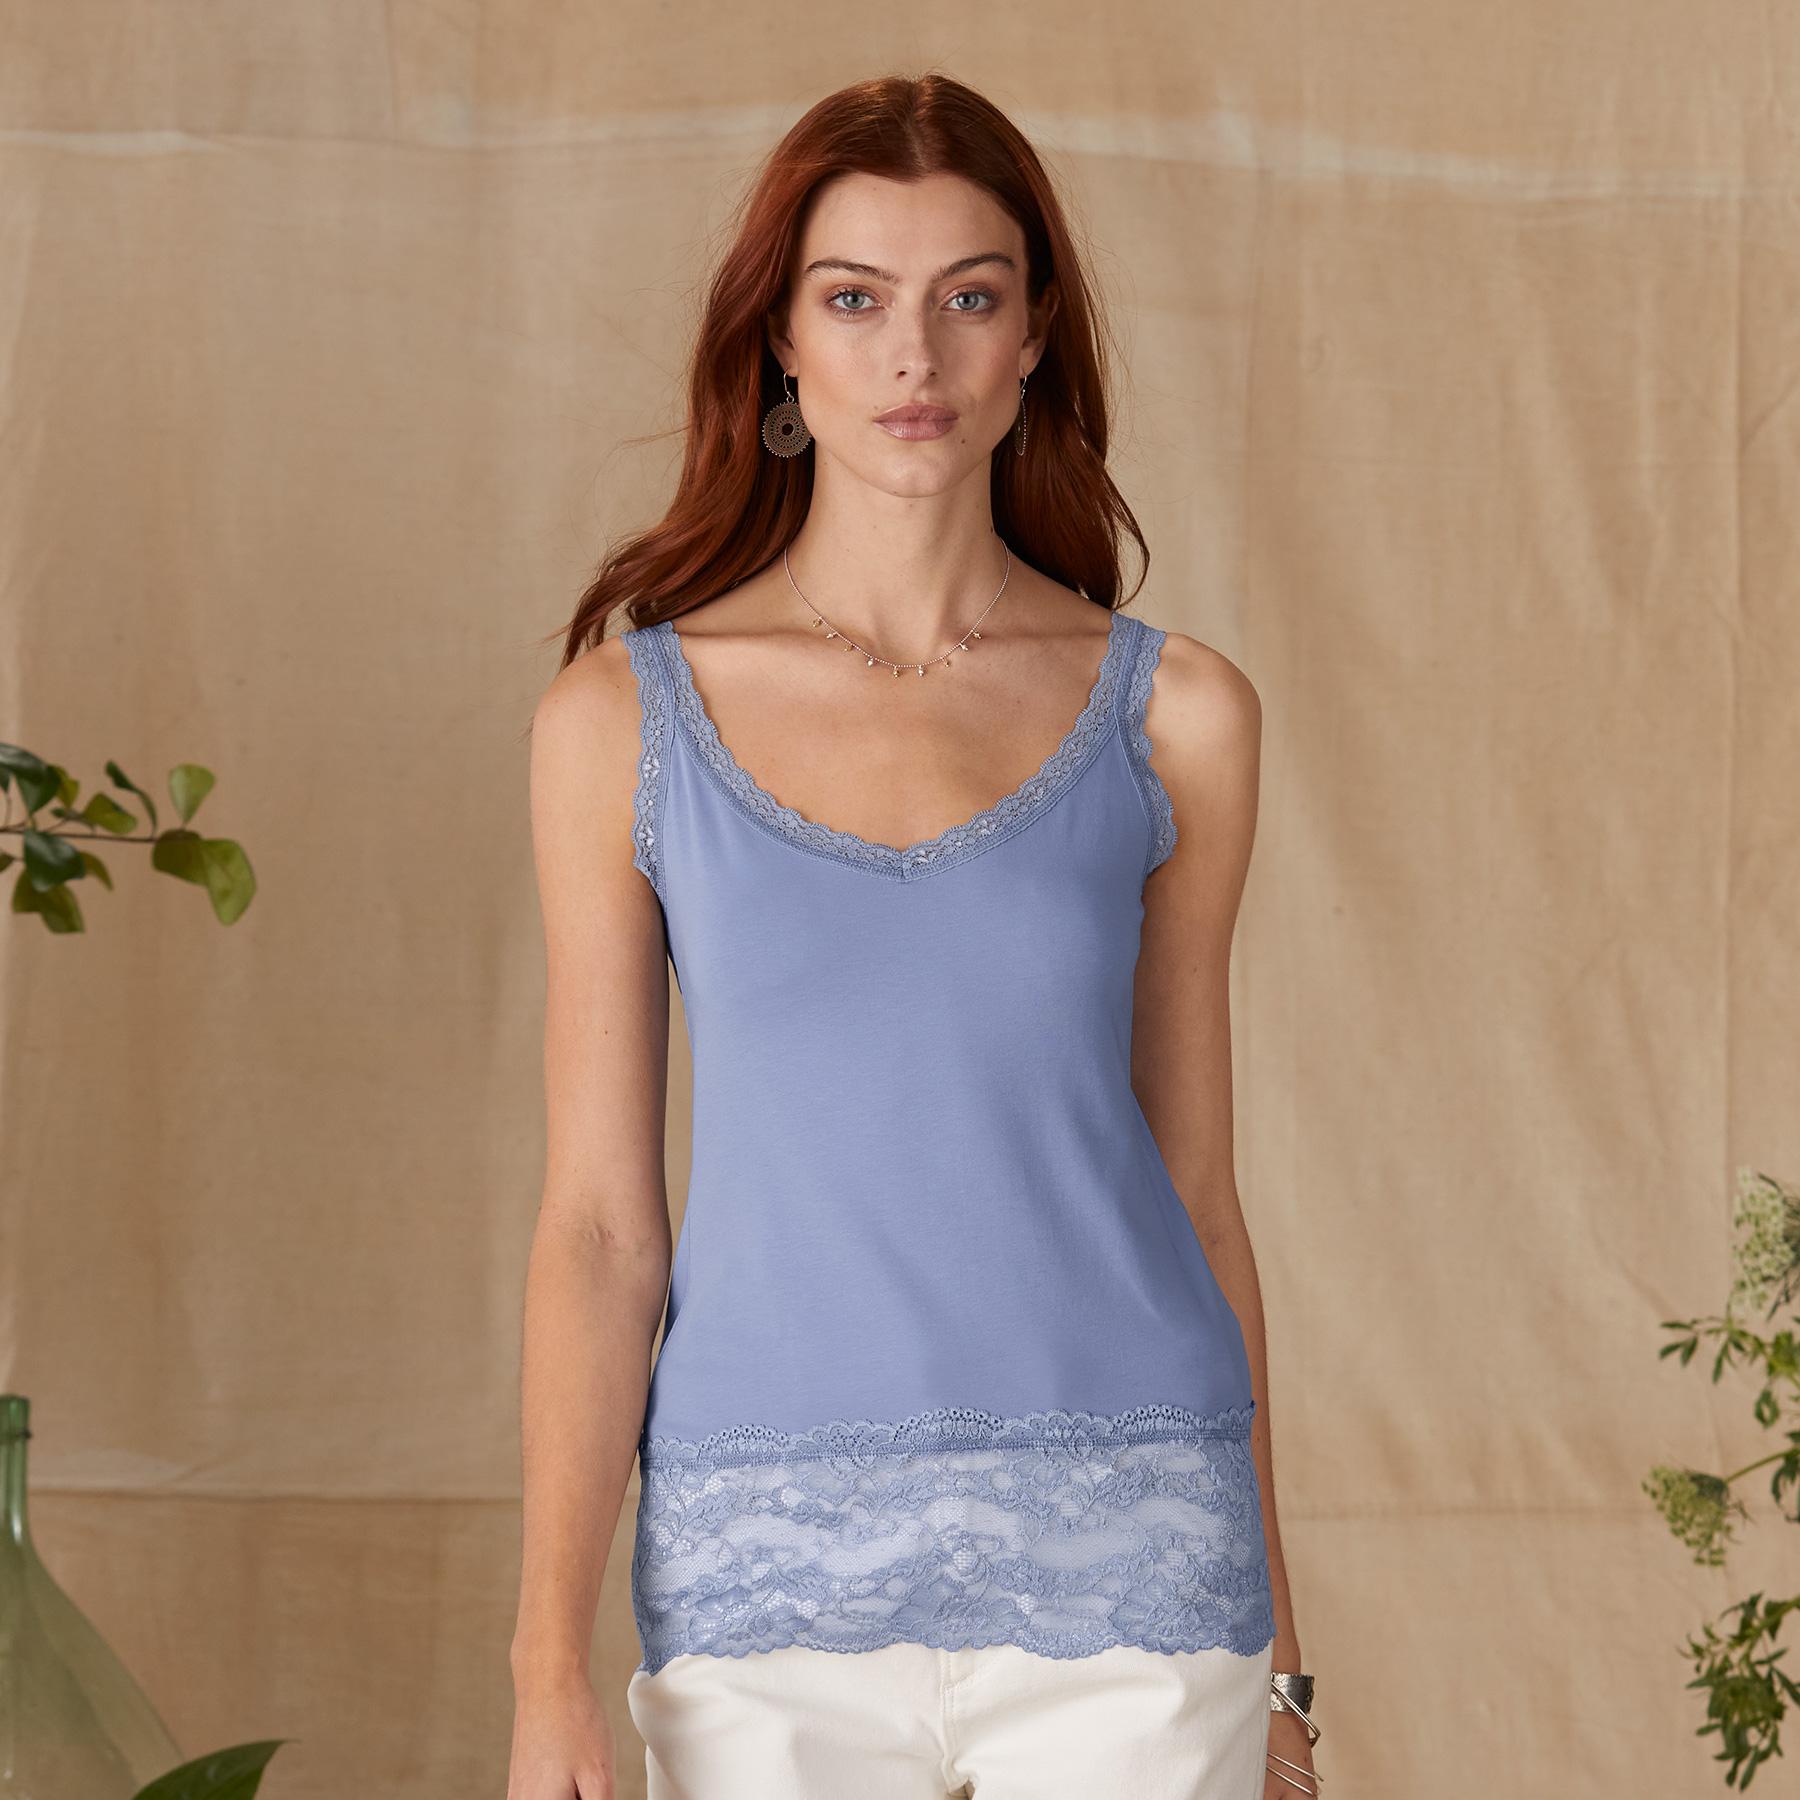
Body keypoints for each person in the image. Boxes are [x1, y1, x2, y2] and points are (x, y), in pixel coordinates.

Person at [508, 71, 1320, 1800]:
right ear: (780, 346)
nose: (914, 356)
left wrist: (1283, 1665)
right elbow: (598, 1227)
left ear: (1035, 338)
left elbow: (1198, 1199)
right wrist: (543, 1669)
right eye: (855, 298)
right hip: (762, 1583)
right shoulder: (621, 724)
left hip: (1135, 1569)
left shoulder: (1179, 716)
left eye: (970, 296)